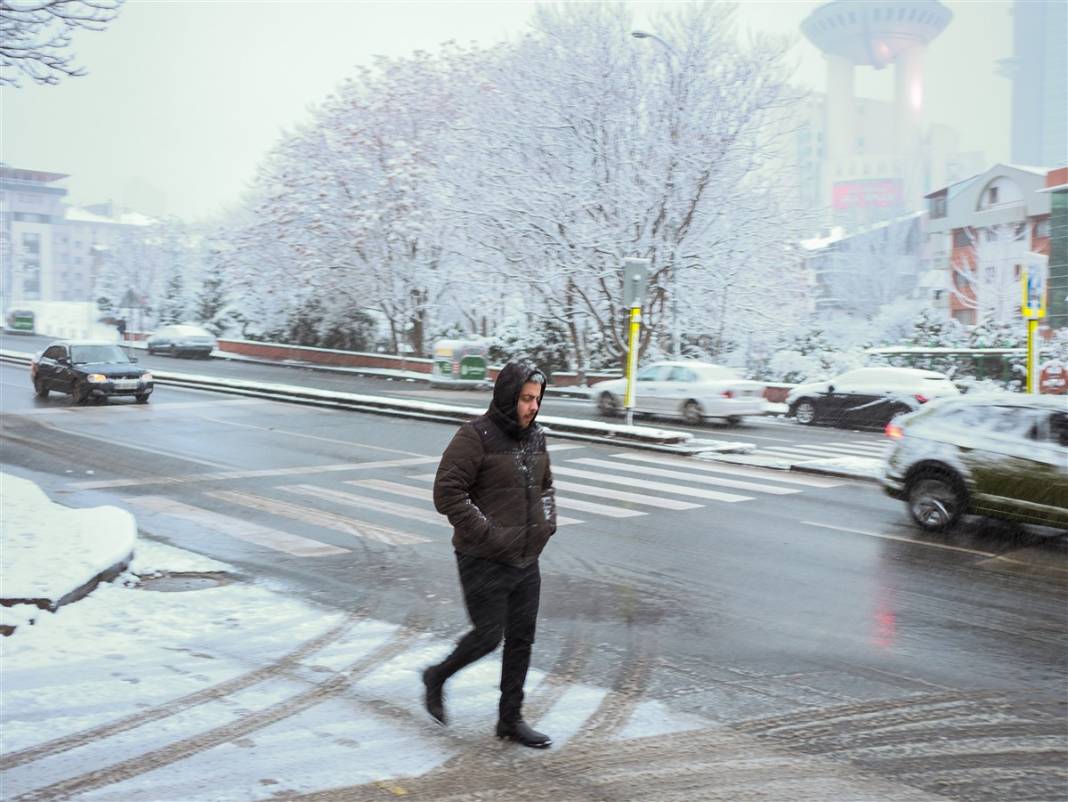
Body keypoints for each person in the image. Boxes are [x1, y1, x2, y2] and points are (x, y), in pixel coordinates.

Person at [424, 360, 557, 748]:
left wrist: (547, 525)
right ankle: (437, 676)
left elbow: (546, 487)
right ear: (506, 396)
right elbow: (447, 493)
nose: (532, 407)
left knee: (521, 639)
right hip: (482, 557)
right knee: (488, 636)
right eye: (525, 399)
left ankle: (510, 720)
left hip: (526, 556)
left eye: (537, 399)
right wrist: (489, 534)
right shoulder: (475, 436)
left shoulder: (536, 437)